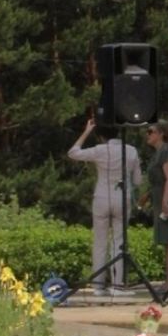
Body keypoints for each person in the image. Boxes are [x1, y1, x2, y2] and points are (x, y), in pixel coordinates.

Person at [68, 117, 142, 293]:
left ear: (101, 136)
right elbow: (138, 181)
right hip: (122, 198)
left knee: (100, 243)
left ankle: (98, 286)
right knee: (119, 242)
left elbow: (73, 152)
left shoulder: (99, 150)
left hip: (101, 197)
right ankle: (117, 285)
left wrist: (87, 131)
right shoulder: (131, 150)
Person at [139, 121, 168, 289]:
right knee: (166, 241)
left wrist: (166, 201)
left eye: (151, 132)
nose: (148, 135)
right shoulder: (157, 153)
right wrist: (149, 195)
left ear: (161, 134)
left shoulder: (167, 151)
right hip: (160, 197)